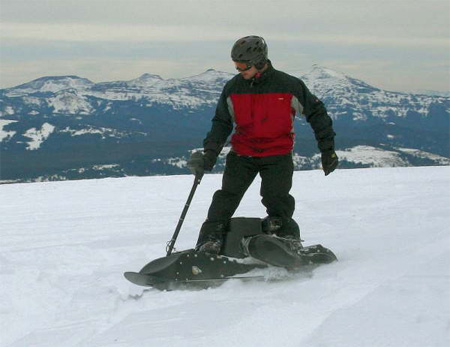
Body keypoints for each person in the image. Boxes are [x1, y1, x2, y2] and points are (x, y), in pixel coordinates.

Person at [188, 35, 338, 255]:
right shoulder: (234, 88)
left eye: (243, 66)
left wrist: (328, 151)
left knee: (277, 200)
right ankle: (209, 242)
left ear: (259, 61)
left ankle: (286, 239)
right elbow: (221, 123)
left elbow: (317, 114)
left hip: (277, 155)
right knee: (225, 198)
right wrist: (209, 154)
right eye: (236, 66)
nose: (239, 70)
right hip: (242, 154)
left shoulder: (288, 85)